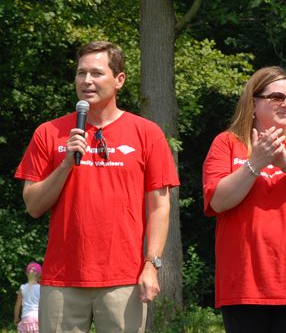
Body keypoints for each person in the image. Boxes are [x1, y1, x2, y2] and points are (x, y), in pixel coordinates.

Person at [14, 41, 180, 333]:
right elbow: (33, 205)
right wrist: (65, 164)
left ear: (119, 80)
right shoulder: (48, 132)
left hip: (124, 280)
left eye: (96, 73)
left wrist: (151, 265)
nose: (86, 81)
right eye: (81, 73)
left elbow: (159, 206)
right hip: (62, 279)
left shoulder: (147, 133)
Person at [203, 66, 286, 333]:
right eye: (277, 97)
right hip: (243, 285)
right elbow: (218, 201)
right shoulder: (226, 143)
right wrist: (255, 163)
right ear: (253, 102)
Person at [14, 262, 42, 333]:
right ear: (40, 275)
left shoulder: (22, 288)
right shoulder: (42, 288)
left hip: (26, 318)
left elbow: (17, 306)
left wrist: (16, 318)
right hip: (39, 319)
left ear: (27, 274)